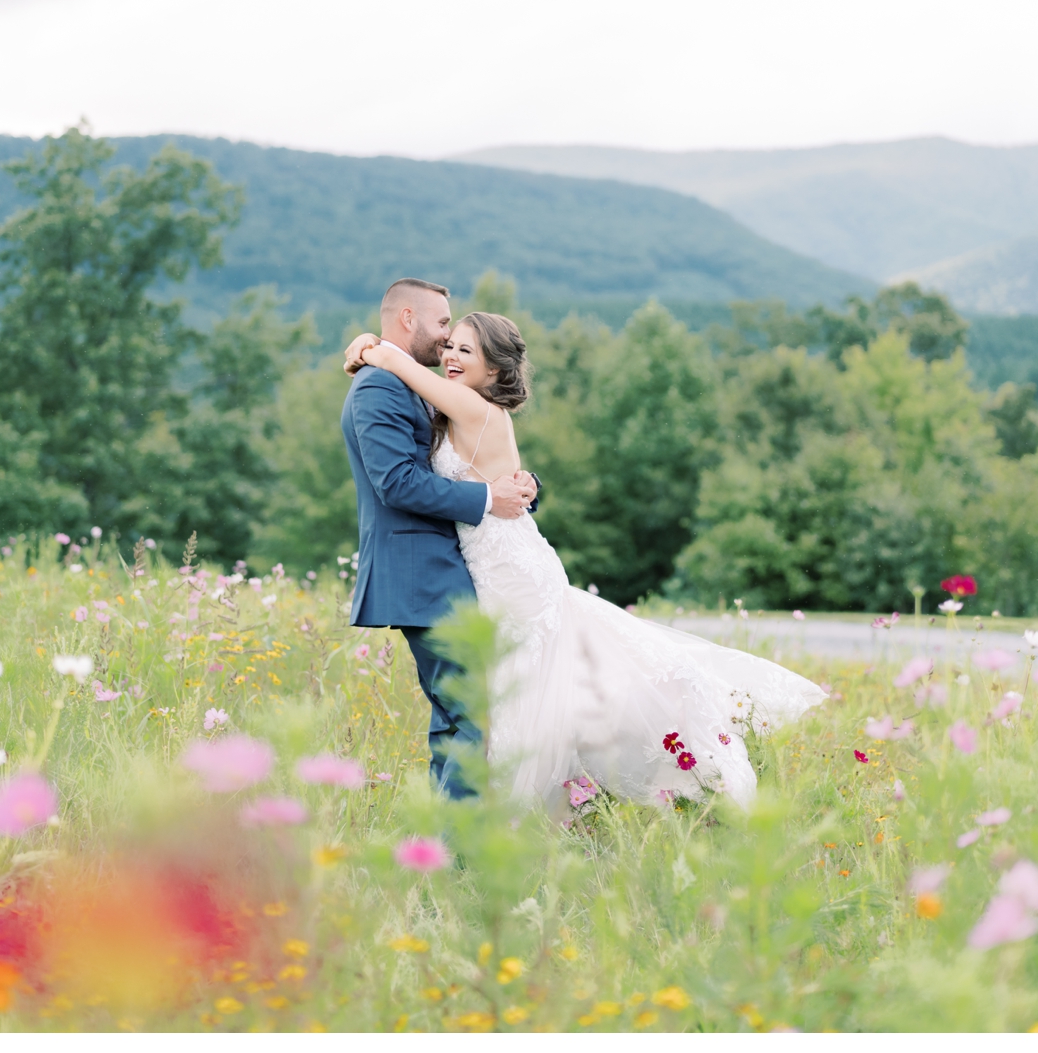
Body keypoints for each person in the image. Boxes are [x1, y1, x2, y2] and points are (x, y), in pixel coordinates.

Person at [342, 310, 825, 812]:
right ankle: (530, 812)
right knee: (529, 687)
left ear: (494, 371)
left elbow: (402, 366)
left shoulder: (468, 404)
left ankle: (535, 810)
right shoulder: (462, 406)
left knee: (534, 686)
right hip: (491, 561)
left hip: (510, 567)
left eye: (467, 351)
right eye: (450, 346)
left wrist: (369, 346)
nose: (450, 356)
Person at [340, 278, 538, 799]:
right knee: (471, 714)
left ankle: (446, 844)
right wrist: (487, 501)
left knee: (460, 715)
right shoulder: (381, 385)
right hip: (422, 572)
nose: (447, 340)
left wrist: (521, 485)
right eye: (444, 325)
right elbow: (396, 482)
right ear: (409, 318)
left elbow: (476, 458)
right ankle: (457, 852)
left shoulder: (413, 383)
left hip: (453, 568)